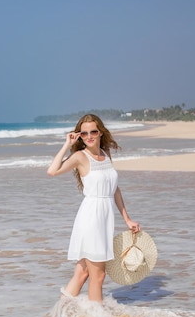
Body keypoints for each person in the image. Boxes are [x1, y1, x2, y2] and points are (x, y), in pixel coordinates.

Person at [47, 114, 139, 302]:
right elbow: (52, 171)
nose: (89, 136)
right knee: (98, 276)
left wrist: (127, 219)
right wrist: (66, 144)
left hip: (105, 217)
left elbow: (114, 190)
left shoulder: (105, 154)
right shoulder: (80, 156)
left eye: (93, 132)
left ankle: (61, 312)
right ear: (79, 136)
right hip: (91, 218)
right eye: (84, 133)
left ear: (100, 133)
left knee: (82, 273)